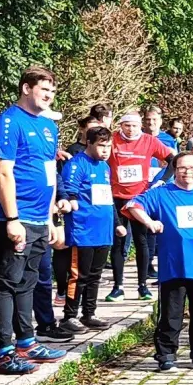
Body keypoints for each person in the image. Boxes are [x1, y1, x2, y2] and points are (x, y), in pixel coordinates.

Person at [0, 67, 69, 376]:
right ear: (25, 88)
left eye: (52, 90)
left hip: (38, 217)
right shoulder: (8, 123)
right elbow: (3, 172)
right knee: (7, 281)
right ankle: (5, 353)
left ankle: (27, 342)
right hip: (13, 216)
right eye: (42, 89)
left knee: (28, 281)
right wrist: (12, 218)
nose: (48, 95)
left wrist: (49, 218)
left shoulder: (48, 126)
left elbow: (49, 174)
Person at [124, 152, 193, 370]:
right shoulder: (162, 194)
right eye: (183, 168)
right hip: (173, 263)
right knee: (171, 313)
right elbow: (133, 205)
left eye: (192, 168)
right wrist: (150, 222)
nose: (187, 172)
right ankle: (166, 354)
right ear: (175, 169)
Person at [106, 111, 175, 301]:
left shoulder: (149, 141)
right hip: (117, 197)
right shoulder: (112, 140)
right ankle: (117, 286)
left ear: (140, 127)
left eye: (135, 125)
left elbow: (172, 159)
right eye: (127, 125)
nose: (131, 129)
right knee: (119, 241)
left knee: (142, 241)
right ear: (121, 125)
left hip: (140, 199)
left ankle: (142, 286)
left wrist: (162, 180)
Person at [57, 126, 115, 332]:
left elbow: (108, 198)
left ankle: (89, 313)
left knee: (95, 275)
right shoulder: (76, 164)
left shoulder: (105, 167)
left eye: (108, 146)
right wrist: (69, 202)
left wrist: (116, 224)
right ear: (89, 143)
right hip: (83, 230)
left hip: (103, 230)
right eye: (101, 145)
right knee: (79, 275)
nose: (106, 150)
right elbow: (68, 192)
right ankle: (69, 316)